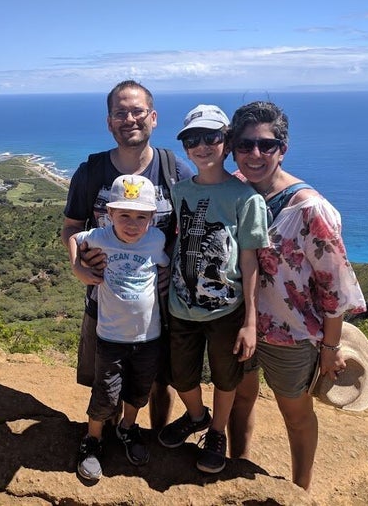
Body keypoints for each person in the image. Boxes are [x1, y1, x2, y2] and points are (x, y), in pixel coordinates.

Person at [226, 101, 366, 490]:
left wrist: (331, 346)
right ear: (233, 147)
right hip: (239, 324)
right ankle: (239, 472)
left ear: (282, 149)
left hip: (293, 334)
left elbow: (334, 286)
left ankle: (300, 490)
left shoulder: (308, 209)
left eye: (266, 145)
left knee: (295, 412)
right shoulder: (233, 190)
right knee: (240, 398)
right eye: (245, 144)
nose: (255, 154)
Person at [61, 80, 194, 429]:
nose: (129, 119)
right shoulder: (91, 172)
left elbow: (197, 229)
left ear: (153, 117)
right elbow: (72, 226)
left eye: (137, 111)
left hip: (161, 305)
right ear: (109, 122)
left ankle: (151, 437)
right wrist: (77, 264)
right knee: (108, 380)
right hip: (105, 300)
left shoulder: (175, 171)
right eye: (120, 113)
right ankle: (105, 439)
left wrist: (173, 264)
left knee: (157, 378)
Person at [157, 105, 269, 474]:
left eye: (211, 137)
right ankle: (196, 415)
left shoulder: (246, 198)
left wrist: (250, 321)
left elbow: (251, 261)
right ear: (185, 147)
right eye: (192, 139)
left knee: (226, 376)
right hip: (181, 306)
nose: (201, 146)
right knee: (181, 376)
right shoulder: (180, 191)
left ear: (227, 142)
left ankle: (217, 432)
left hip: (227, 309)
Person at [68, 174, 170, 482]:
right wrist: (78, 266)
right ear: (109, 215)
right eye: (124, 214)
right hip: (110, 337)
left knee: (138, 391)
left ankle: (127, 428)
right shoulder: (99, 237)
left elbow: (163, 264)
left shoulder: (156, 240)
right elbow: (74, 237)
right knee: (105, 393)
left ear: (152, 218)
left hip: (148, 337)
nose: (132, 223)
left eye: (141, 216)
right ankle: (93, 439)